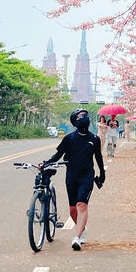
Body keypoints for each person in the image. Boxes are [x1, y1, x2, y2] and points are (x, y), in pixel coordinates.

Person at [40, 108, 105, 251]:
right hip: (71, 177)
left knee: (82, 205)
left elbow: (98, 158)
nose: (84, 117)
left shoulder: (94, 139)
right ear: (75, 121)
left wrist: (102, 174)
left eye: (85, 115)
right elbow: (58, 155)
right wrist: (46, 163)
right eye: (80, 116)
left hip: (86, 176)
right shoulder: (69, 138)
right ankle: (82, 229)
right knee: (73, 210)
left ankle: (76, 237)